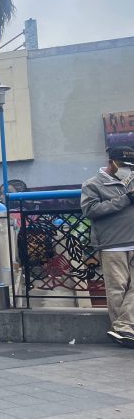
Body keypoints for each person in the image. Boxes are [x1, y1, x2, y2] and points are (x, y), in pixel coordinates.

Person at [81, 146, 134, 343]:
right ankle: (123, 331)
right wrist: (126, 199)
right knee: (117, 288)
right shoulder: (93, 184)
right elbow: (91, 210)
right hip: (113, 243)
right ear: (111, 162)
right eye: (124, 165)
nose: (129, 168)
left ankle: (122, 328)